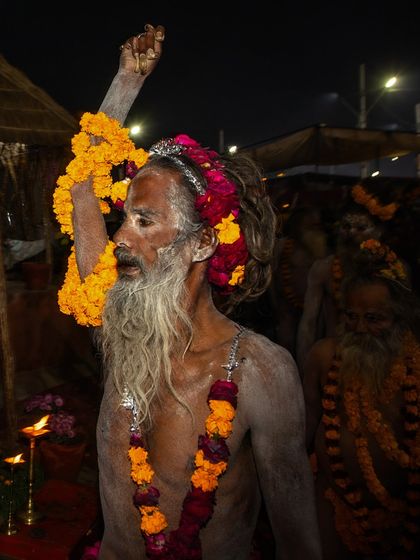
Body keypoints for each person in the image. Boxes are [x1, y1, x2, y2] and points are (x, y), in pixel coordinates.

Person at [59, 25, 322, 559]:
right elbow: (82, 183)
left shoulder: (256, 370)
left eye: (143, 220)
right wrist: (126, 82)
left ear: (203, 243)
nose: (120, 238)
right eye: (124, 217)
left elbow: (297, 537)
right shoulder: (117, 327)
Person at [303, 239, 420, 559]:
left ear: (400, 317)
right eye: (351, 316)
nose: (359, 328)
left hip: (405, 515)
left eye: (374, 318)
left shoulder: (415, 365)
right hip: (333, 502)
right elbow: (304, 429)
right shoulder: (326, 356)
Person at [296, 185, 404, 371]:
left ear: (379, 232)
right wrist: (305, 368)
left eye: (361, 227)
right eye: (346, 226)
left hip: (385, 362)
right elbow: (309, 323)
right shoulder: (323, 268)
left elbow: (404, 323)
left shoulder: (396, 270)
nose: (351, 233)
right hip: (337, 361)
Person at [268, 206, 328, 357]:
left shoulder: (323, 256)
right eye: (309, 224)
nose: (313, 229)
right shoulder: (281, 248)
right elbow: (272, 279)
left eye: (316, 225)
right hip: (285, 312)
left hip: (315, 317)